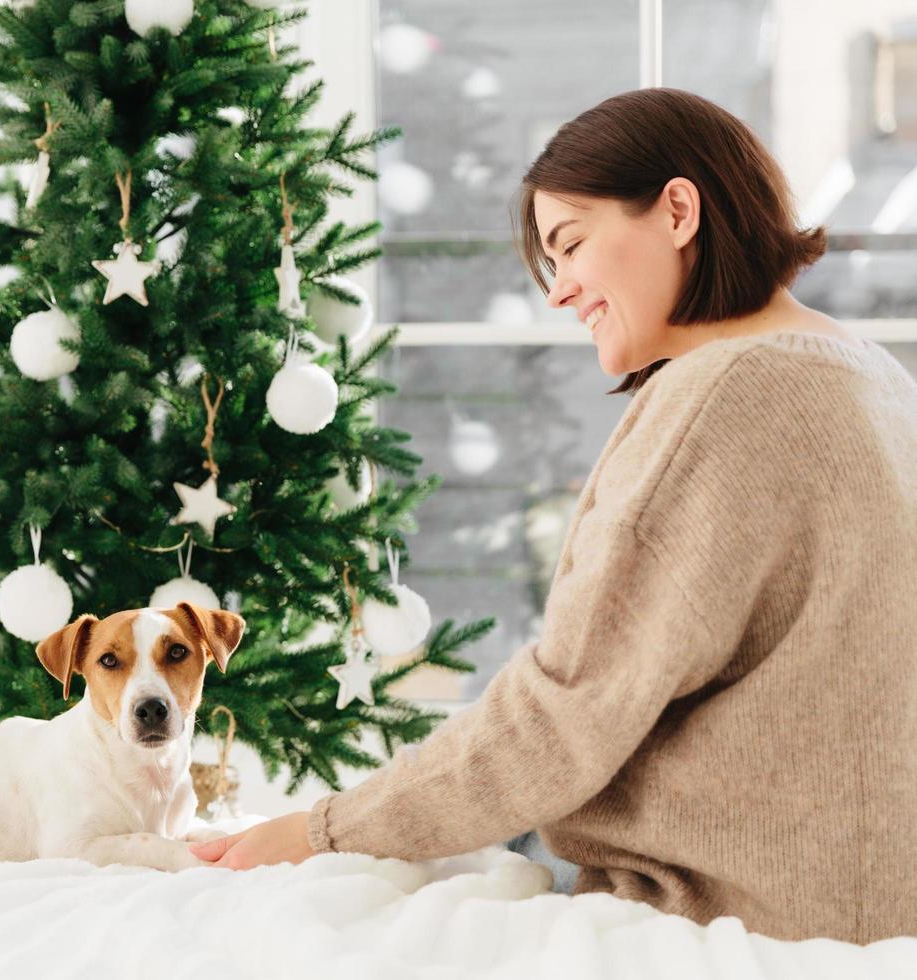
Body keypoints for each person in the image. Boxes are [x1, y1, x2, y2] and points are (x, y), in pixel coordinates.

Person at [189, 88, 917, 946]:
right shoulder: (870, 374)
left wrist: (321, 831)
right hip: (871, 886)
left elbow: (566, 711)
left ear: (678, 209)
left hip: (734, 896)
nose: (561, 289)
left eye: (570, 244)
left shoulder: (726, 390)